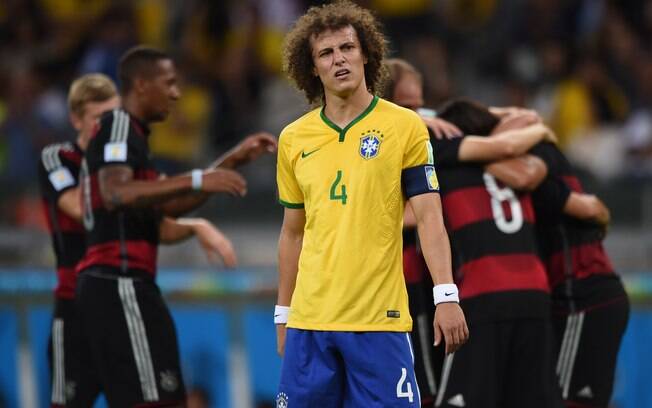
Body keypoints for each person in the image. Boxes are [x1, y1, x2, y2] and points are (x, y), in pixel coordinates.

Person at [274, 2, 468, 407]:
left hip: (379, 322)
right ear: (312, 68)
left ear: (366, 53)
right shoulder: (293, 138)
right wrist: (283, 313)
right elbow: (293, 232)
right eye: (326, 53)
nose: (339, 59)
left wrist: (445, 296)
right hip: (310, 324)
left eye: (347, 47)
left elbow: (431, 218)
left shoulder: (404, 127)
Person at [75, 47, 276, 407]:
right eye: (168, 83)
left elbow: (163, 207)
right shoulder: (118, 125)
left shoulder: (135, 139)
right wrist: (199, 178)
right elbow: (116, 192)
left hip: (131, 286)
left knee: (164, 398)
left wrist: (230, 162)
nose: (176, 93)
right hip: (117, 284)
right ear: (141, 85)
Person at [38, 74, 242, 407]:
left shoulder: (128, 171)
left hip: (119, 300)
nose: (108, 127)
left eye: (114, 117)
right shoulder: (59, 159)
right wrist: (133, 191)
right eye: (100, 119)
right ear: (76, 119)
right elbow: (82, 206)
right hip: (76, 303)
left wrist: (194, 222)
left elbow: (159, 215)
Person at [423, 99, 560, 408]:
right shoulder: (523, 166)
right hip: (535, 294)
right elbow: (523, 119)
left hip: (483, 297)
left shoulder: (444, 166)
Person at [492, 130, 630, 407]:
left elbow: (593, 209)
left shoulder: (540, 174)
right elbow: (597, 210)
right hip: (578, 297)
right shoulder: (541, 170)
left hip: (583, 295)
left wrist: (461, 154)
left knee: (566, 399)